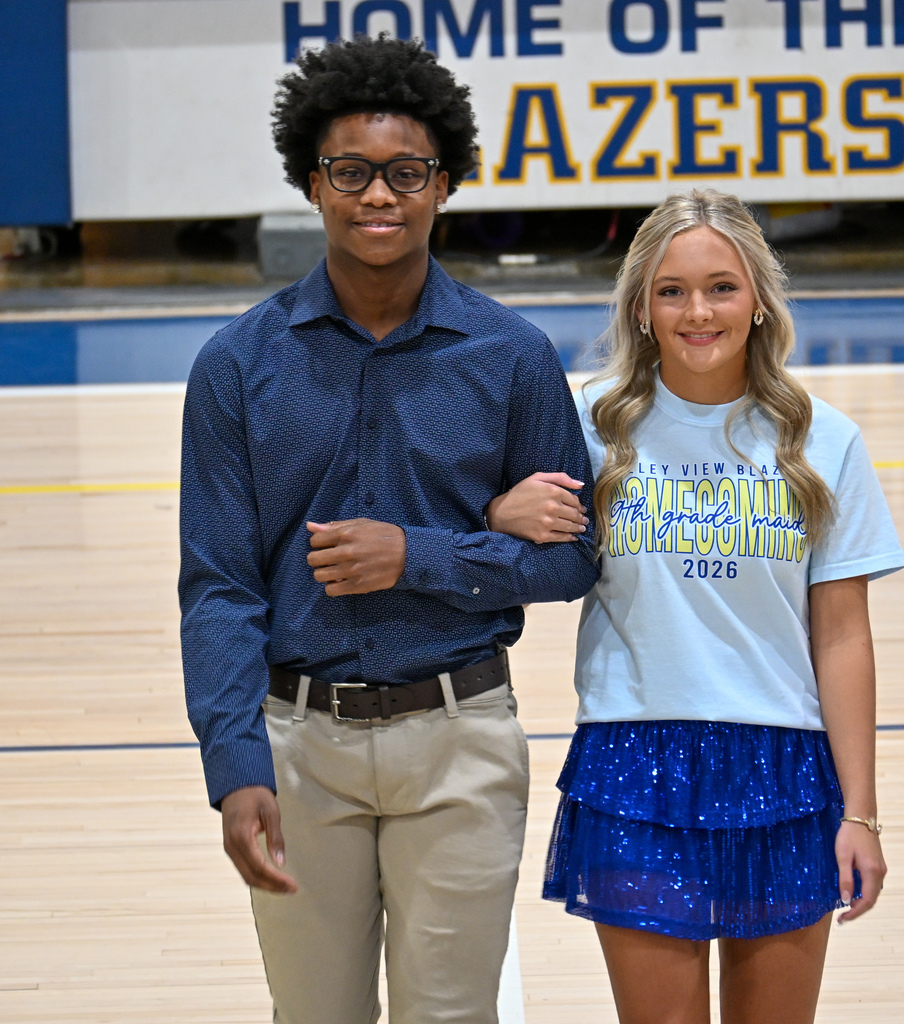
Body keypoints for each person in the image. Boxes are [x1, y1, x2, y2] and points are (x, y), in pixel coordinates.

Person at [178, 35, 598, 1024]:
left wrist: (420, 553)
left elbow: (574, 557)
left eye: (406, 173)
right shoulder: (235, 366)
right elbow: (220, 589)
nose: (379, 195)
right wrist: (234, 764)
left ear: (443, 185)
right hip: (296, 743)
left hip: (461, 738)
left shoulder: (512, 355)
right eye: (351, 172)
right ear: (311, 183)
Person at [486, 189, 904, 1024]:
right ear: (641, 307)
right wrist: (500, 512)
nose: (698, 312)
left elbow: (842, 639)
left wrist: (861, 812)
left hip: (784, 766)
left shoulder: (826, 440)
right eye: (672, 291)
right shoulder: (589, 426)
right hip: (633, 760)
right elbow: (517, 532)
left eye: (722, 288)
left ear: (759, 301)